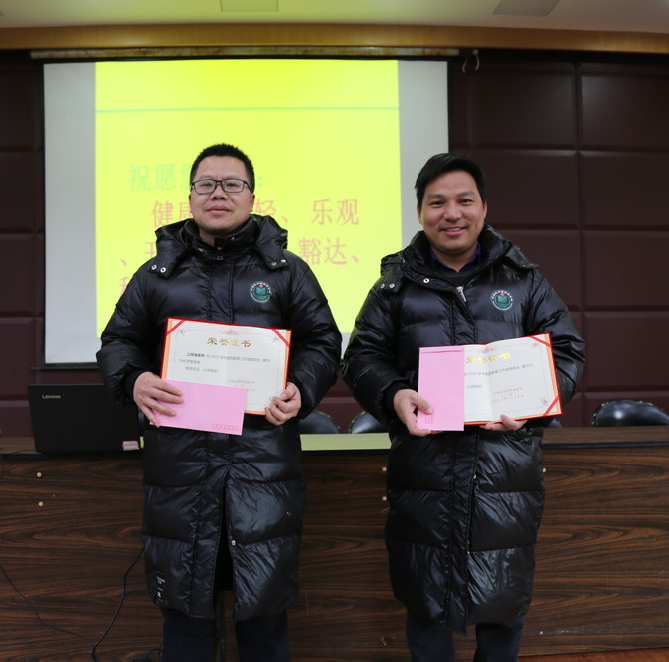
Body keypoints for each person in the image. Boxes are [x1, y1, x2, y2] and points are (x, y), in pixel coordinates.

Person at [97, 143, 341, 661]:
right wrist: (134, 379)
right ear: (190, 197)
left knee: (264, 618)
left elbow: (323, 341)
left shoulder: (287, 272)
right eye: (206, 184)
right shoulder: (156, 275)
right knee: (186, 621)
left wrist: (301, 387)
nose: (218, 194)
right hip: (182, 470)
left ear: (252, 196)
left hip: (262, 469)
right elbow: (118, 341)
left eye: (232, 184)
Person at [342, 153, 585, 661]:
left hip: (505, 470)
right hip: (424, 470)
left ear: (484, 208)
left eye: (464, 201)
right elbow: (361, 357)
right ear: (420, 212)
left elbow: (567, 351)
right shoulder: (393, 285)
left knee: (503, 602)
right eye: (437, 203)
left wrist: (535, 404)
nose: (451, 213)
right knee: (426, 602)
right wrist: (394, 394)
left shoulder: (523, 280)